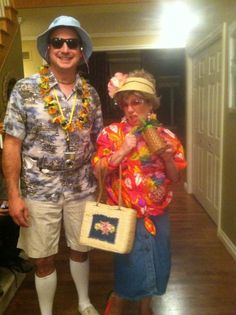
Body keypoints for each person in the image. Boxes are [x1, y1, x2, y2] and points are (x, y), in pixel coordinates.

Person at [2, 16, 103, 315]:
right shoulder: (25, 89)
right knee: (41, 257)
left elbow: (100, 143)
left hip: (82, 186)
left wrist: (107, 183)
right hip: (37, 187)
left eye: (72, 42)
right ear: (47, 49)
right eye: (57, 41)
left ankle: (84, 302)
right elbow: (11, 144)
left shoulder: (91, 94)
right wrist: (14, 194)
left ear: (81, 50)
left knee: (81, 248)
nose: (64, 48)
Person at [92, 70, 187, 315]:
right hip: (126, 215)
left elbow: (175, 177)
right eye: (125, 104)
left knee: (158, 263)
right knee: (128, 267)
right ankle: (118, 302)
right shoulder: (111, 134)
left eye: (137, 102)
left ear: (150, 103)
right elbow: (99, 171)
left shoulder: (166, 137)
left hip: (157, 215)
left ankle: (146, 308)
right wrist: (123, 150)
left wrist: (166, 159)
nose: (130, 109)